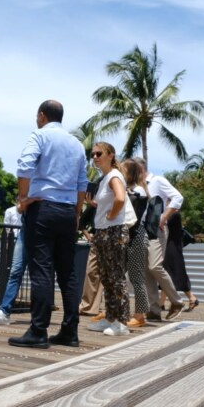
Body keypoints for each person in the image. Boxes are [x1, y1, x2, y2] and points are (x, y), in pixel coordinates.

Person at [8, 100, 88, 349]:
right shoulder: (76, 143)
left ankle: (38, 331)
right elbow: (82, 181)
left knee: (42, 269)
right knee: (68, 273)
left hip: (42, 208)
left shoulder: (40, 135)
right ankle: (69, 331)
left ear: (42, 116)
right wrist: (76, 213)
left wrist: (23, 199)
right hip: (67, 211)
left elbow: (24, 165)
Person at [85, 142, 130, 336]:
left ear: (110, 155)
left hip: (113, 231)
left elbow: (120, 198)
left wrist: (112, 215)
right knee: (106, 277)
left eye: (98, 153)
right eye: (92, 154)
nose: (94, 157)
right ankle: (110, 317)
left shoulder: (113, 175)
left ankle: (121, 322)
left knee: (116, 278)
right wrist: (93, 204)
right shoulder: (104, 178)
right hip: (103, 232)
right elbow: (109, 201)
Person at [133, 157, 185, 321]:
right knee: (146, 270)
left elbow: (178, 198)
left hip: (157, 229)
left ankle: (176, 301)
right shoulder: (136, 186)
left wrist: (164, 216)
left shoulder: (158, 181)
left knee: (155, 266)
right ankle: (154, 310)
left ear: (141, 168)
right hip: (142, 230)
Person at [0, 204, 28, 326]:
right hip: (26, 230)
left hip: (44, 229)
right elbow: (20, 208)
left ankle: (41, 315)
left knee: (39, 274)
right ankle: (3, 312)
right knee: (15, 272)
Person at [121, 159, 151, 328]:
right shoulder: (132, 189)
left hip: (137, 236)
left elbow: (134, 215)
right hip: (130, 236)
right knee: (119, 275)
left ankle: (140, 315)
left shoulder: (138, 191)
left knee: (136, 277)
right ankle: (118, 311)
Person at [78, 181, 104, 319]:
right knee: (91, 272)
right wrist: (89, 237)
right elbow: (81, 224)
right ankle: (87, 305)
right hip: (97, 236)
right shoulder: (91, 208)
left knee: (106, 275)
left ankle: (94, 306)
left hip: (110, 235)